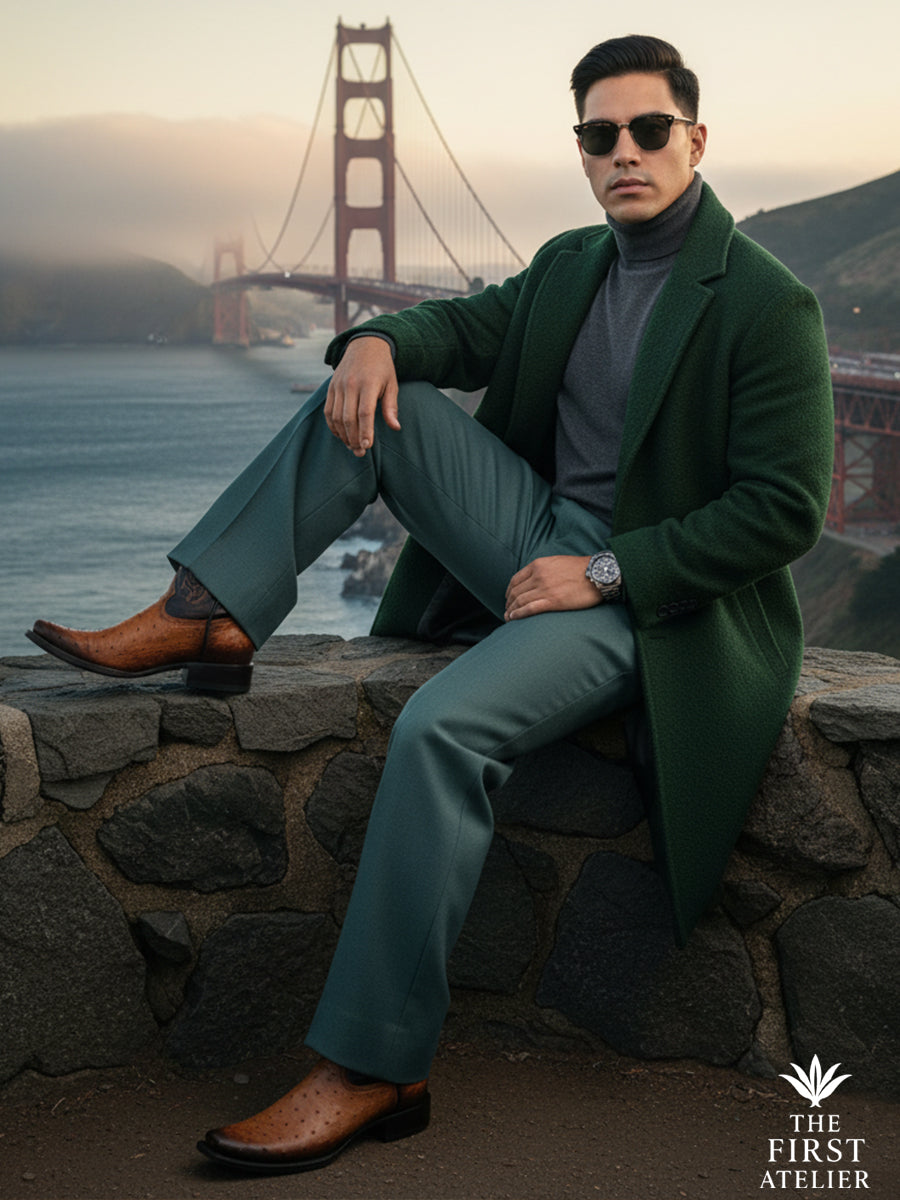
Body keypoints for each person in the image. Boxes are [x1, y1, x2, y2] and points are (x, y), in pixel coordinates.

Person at [27, 34, 833, 1175]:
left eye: (650, 130)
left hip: (650, 602)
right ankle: (208, 606)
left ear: (695, 141)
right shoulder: (570, 263)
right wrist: (371, 340)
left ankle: (376, 1066)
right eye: (599, 134)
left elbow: (783, 511)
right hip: (539, 533)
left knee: (440, 727)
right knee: (371, 397)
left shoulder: (767, 303)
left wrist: (605, 573)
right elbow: (455, 328)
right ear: (582, 150)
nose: (625, 152)